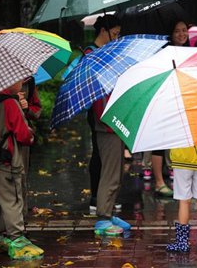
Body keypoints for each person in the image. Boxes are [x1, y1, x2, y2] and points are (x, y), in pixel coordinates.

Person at [0, 80, 43, 260]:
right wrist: (31, 133)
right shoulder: (10, 103)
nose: (22, 83)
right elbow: (23, 135)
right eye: (19, 80)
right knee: (13, 198)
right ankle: (18, 242)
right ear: (9, 81)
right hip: (8, 159)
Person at [86, 15, 130, 235]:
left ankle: (109, 211)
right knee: (110, 172)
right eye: (115, 33)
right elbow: (97, 94)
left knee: (116, 171)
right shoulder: (91, 56)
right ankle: (103, 218)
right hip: (107, 122)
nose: (117, 37)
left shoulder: (106, 54)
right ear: (104, 31)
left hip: (115, 120)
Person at [145, 20, 190, 197]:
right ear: (171, 34)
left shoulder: (189, 50)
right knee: (160, 143)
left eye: (184, 30)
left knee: (179, 141)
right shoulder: (164, 51)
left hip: (183, 99)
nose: (181, 34)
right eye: (177, 31)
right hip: (164, 100)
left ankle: (180, 180)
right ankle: (159, 182)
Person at [17, 76, 41, 217]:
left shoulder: (28, 80)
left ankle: (21, 216)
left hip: (22, 135)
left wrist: (27, 108)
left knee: (21, 175)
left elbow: (37, 109)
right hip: (0, 136)